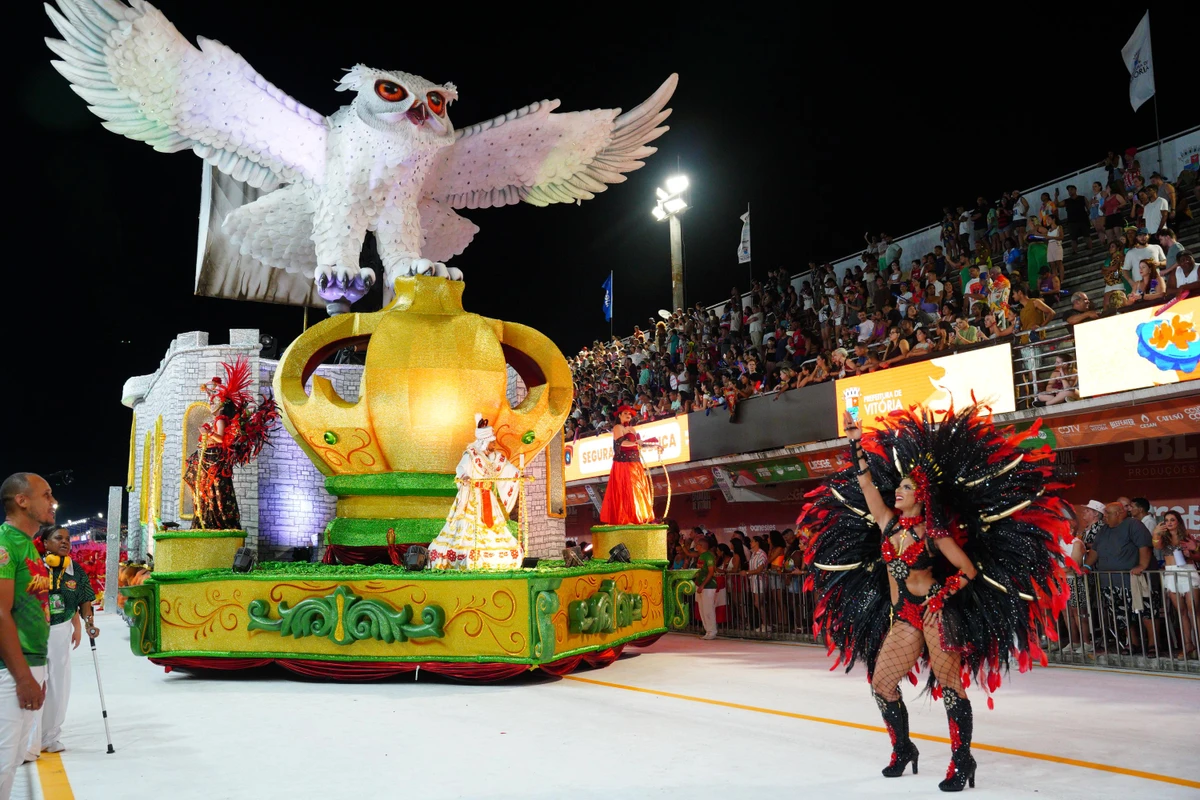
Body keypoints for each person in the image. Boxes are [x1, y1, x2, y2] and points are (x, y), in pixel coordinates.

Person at [805, 407, 1069, 791]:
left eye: (906, 487)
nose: (897, 491)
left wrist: (942, 594)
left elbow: (969, 571)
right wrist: (854, 442)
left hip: (934, 612)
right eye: (898, 486)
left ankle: (962, 761)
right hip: (904, 616)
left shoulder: (933, 533)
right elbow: (864, 486)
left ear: (921, 495)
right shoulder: (887, 523)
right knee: (882, 684)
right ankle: (903, 749)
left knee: (950, 686)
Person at [0, 473, 55, 797]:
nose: (52, 502)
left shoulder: (29, 547)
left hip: (28, 663)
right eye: (45, 495)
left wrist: (38, 670)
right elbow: (0, 611)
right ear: (22, 500)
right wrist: (22, 677)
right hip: (9, 671)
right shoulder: (6, 544)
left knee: (12, 759)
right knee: (3, 761)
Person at [26, 527, 97, 759]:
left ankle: (50, 737)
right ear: (45, 543)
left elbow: (85, 599)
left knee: (59, 683)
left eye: (67, 539)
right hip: (33, 630)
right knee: (35, 682)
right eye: (58, 538)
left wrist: (87, 623)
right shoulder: (33, 567)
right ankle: (29, 743)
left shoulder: (75, 570)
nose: (65, 542)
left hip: (60, 630)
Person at [184, 357, 279, 530]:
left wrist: (208, 433)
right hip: (208, 458)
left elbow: (221, 439)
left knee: (212, 489)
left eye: (214, 400)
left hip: (213, 459)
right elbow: (214, 398)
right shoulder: (217, 416)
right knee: (204, 489)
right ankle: (206, 518)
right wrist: (210, 390)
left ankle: (213, 520)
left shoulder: (220, 419)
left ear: (222, 404)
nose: (211, 402)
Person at [428, 415, 523, 570]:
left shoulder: (495, 457)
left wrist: (519, 475)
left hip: (488, 497)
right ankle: (464, 555)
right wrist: (464, 476)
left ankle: (494, 553)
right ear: (484, 442)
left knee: (494, 527)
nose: (494, 445)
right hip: (472, 496)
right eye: (492, 442)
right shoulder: (471, 455)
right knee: (467, 526)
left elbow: (507, 468)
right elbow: (461, 469)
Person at [1084, 503, 1151, 654]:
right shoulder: (1104, 529)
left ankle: (1154, 645)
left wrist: (1142, 565)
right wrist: (1087, 566)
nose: (1105, 516)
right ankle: (1132, 643)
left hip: (1131, 580)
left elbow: (1144, 546)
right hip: (1109, 581)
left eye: (1108, 513)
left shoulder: (1134, 525)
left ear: (1120, 512)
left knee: (1146, 612)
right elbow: (1094, 551)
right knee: (1121, 615)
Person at [597, 406, 657, 525]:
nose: (628, 415)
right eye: (625, 413)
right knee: (627, 489)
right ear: (619, 415)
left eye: (630, 413)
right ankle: (626, 518)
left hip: (635, 462)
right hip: (623, 464)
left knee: (637, 489)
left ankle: (636, 516)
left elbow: (637, 445)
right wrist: (635, 442)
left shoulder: (632, 429)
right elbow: (621, 444)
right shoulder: (617, 427)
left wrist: (654, 446)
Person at [1156, 511, 1199, 660]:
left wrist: (1193, 550)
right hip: (1171, 573)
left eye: (1172, 520)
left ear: (1178, 521)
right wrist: (1156, 532)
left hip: (1187, 572)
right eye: (1166, 520)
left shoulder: (1186, 536)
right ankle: (1188, 645)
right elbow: (1156, 544)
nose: (1169, 523)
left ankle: (1199, 644)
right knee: (1180, 612)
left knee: (1194, 610)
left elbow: (1196, 553)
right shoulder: (1163, 537)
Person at [693, 537, 718, 640]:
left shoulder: (708, 556)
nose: (696, 546)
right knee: (702, 609)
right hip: (700, 586)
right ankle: (708, 630)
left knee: (708, 609)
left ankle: (712, 631)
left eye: (697, 545)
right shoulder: (701, 556)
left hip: (708, 586)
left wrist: (703, 585)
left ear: (701, 546)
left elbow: (711, 572)